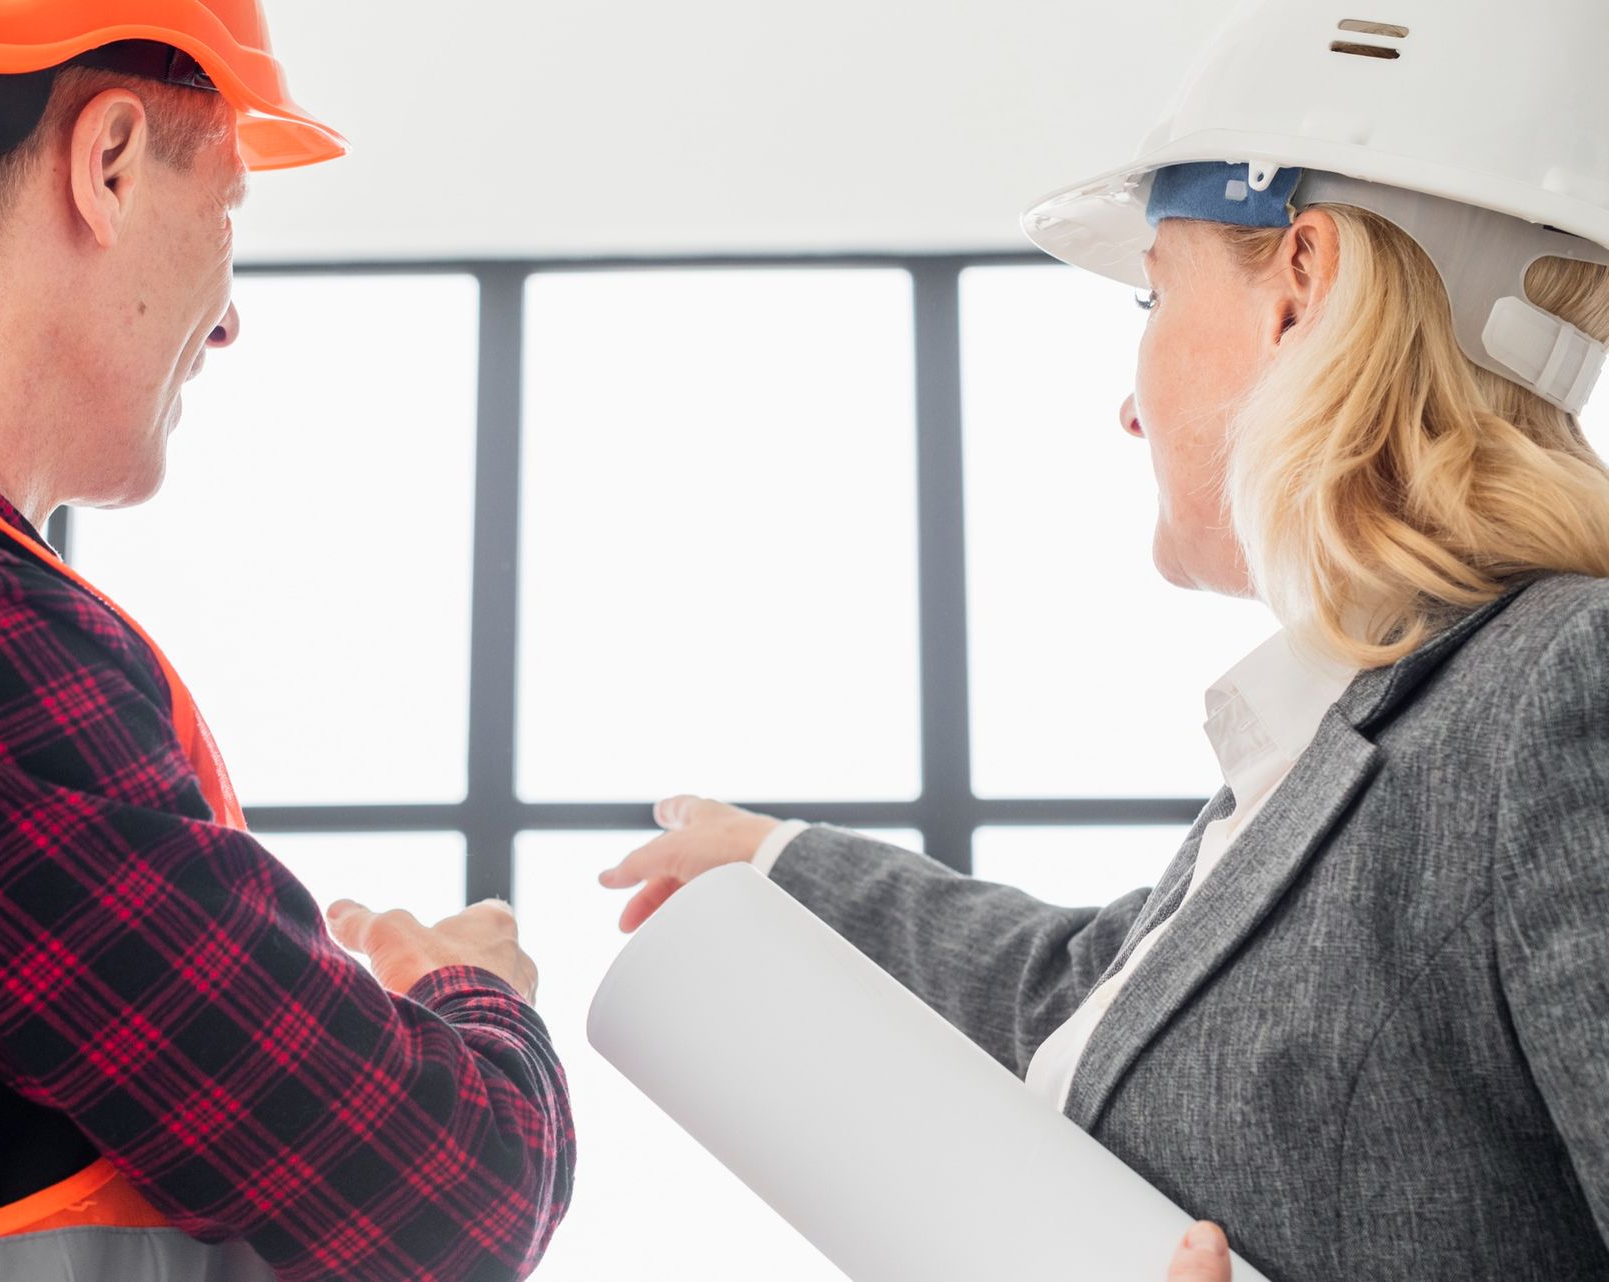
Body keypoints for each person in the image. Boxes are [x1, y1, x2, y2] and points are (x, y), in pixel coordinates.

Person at [599, 1, 1609, 1278]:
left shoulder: (1565, 692)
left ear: (1301, 287)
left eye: (1150, 294)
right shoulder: (1347, 736)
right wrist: (781, 863)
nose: (1128, 403)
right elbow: (1083, 989)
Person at [0, 4, 572, 1280]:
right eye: (226, 214)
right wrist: (471, 995)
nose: (225, 324)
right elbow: (452, 1197)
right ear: (105, 164)